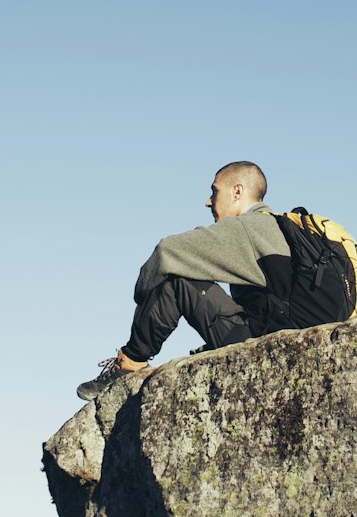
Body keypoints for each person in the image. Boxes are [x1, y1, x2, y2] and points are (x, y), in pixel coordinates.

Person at [76, 160, 294, 399]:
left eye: (215, 191)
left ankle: (131, 362)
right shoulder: (285, 228)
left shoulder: (247, 228)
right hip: (287, 341)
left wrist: (144, 297)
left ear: (237, 192)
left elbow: (166, 252)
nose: (208, 201)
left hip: (265, 348)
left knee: (177, 278)